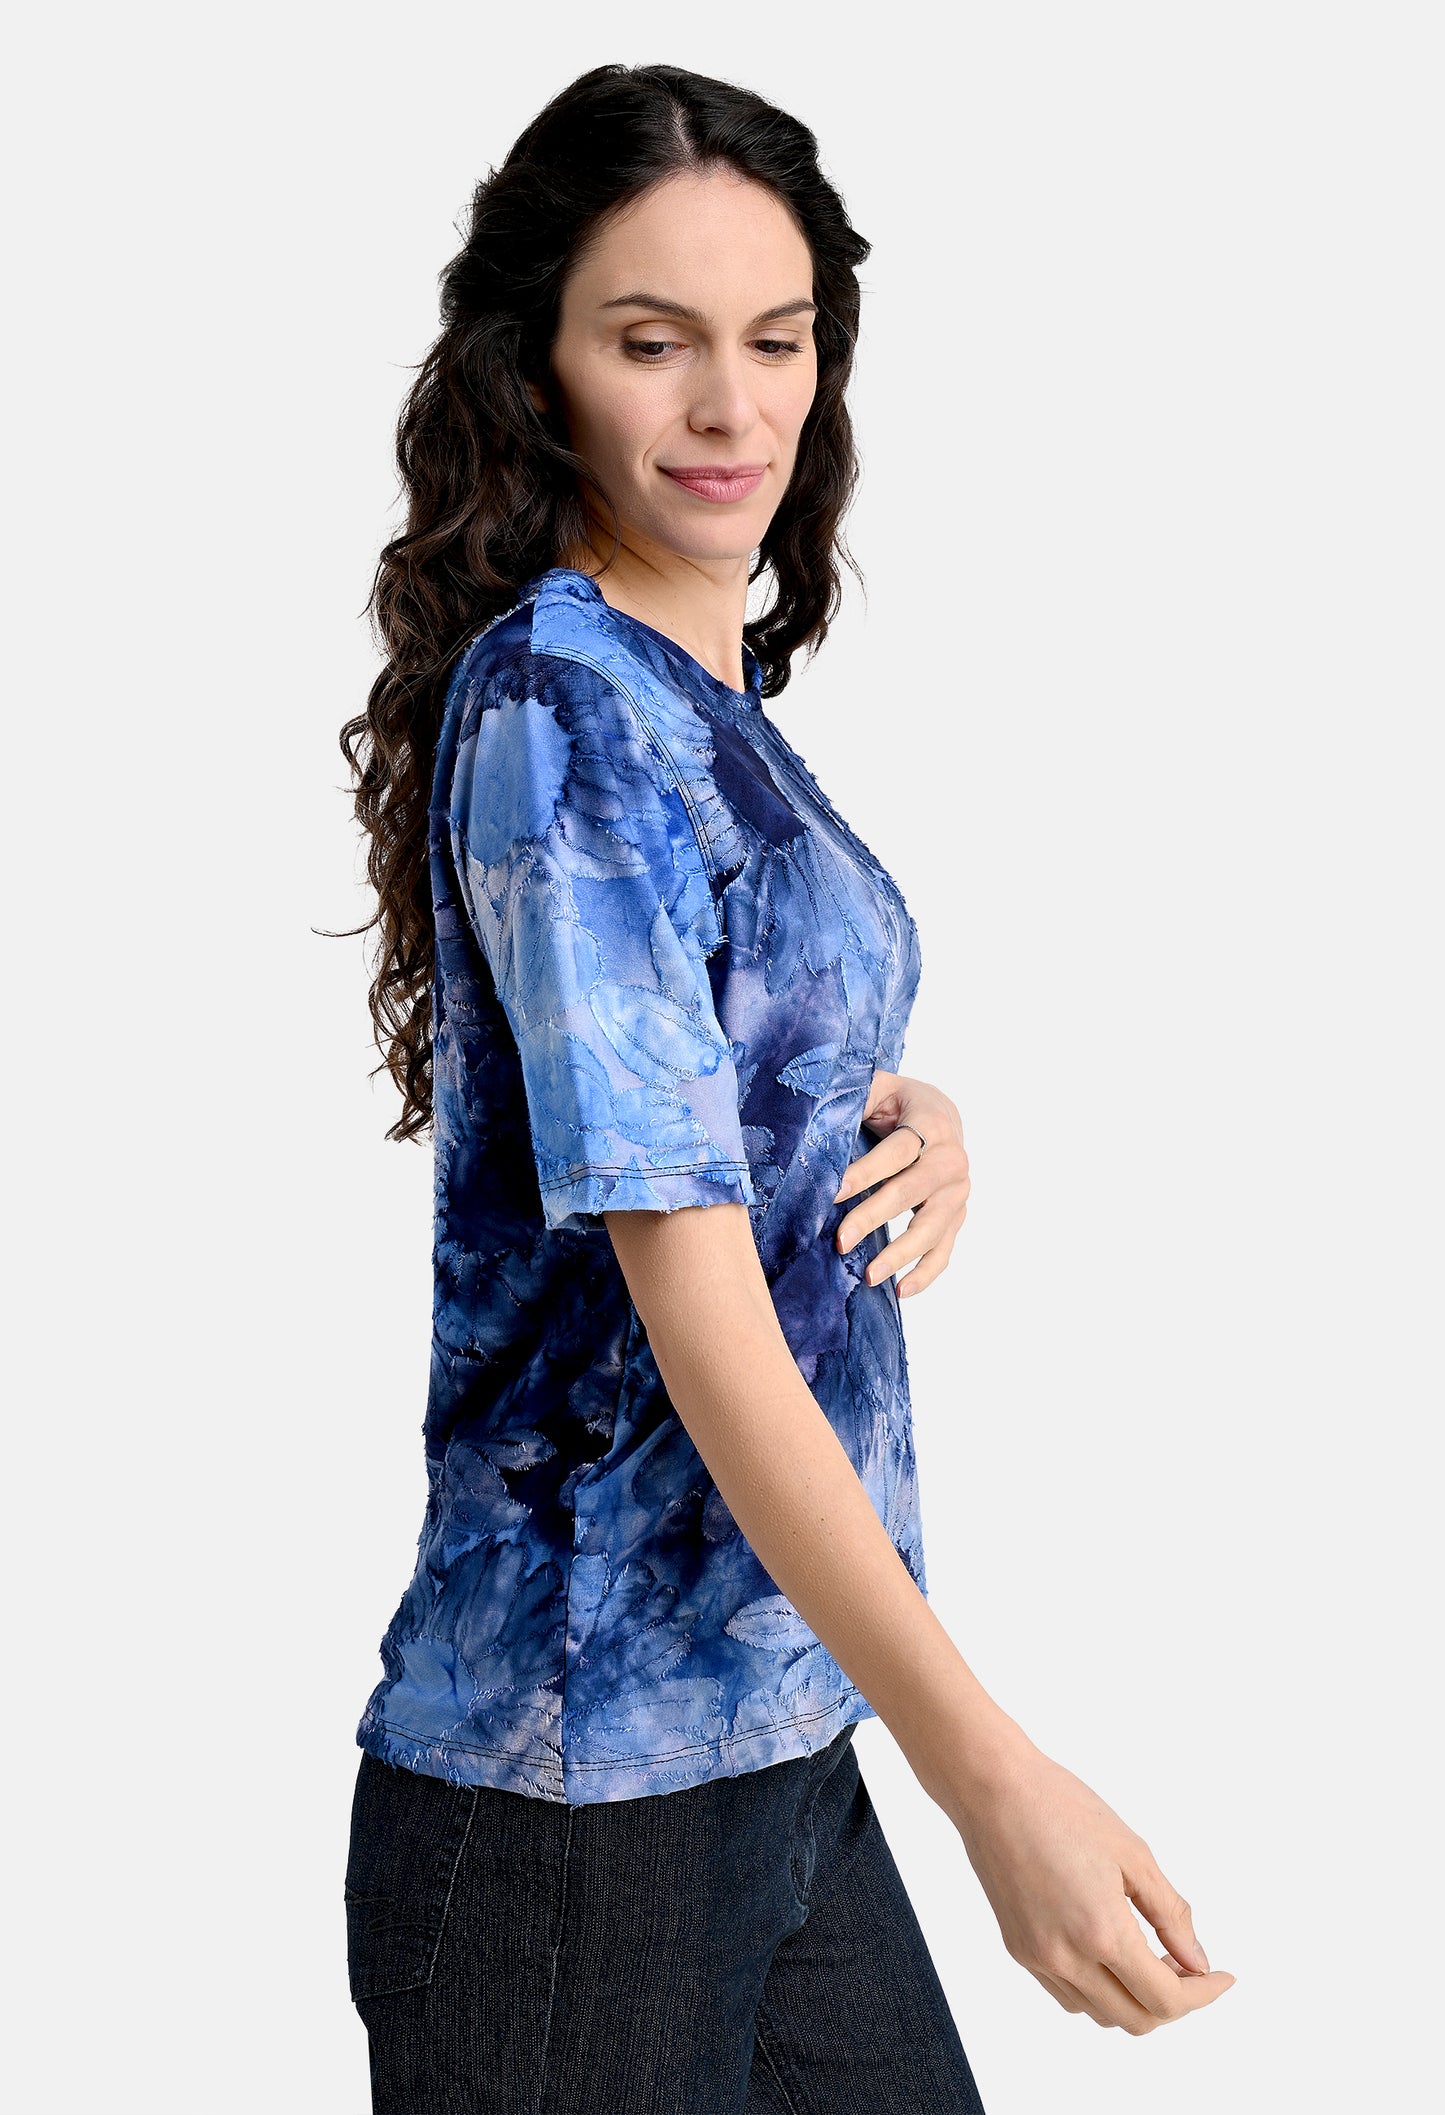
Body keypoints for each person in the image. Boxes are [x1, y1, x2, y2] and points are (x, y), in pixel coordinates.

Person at [336, 60, 1236, 2115]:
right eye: (652, 342)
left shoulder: (692, 689)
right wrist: (992, 1775)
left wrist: (901, 1113)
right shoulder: (563, 705)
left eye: (778, 339)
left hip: (768, 1725)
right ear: (537, 368)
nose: (730, 407)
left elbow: (713, 1071)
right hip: (579, 1796)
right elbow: (695, 1298)